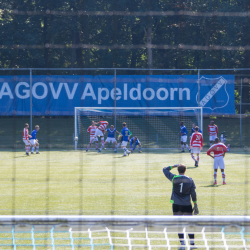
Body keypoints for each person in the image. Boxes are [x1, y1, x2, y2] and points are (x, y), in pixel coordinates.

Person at [163, 164, 198, 250]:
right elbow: (193, 193)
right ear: (185, 170)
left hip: (176, 205)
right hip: (187, 205)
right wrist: (195, 204)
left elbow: (164, 169)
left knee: (179, 224)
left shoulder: (174, 178)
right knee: (190, 223)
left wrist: (174, 165)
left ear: (178, 170)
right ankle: (192, 244)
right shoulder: (190, 180)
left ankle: (182, 244)